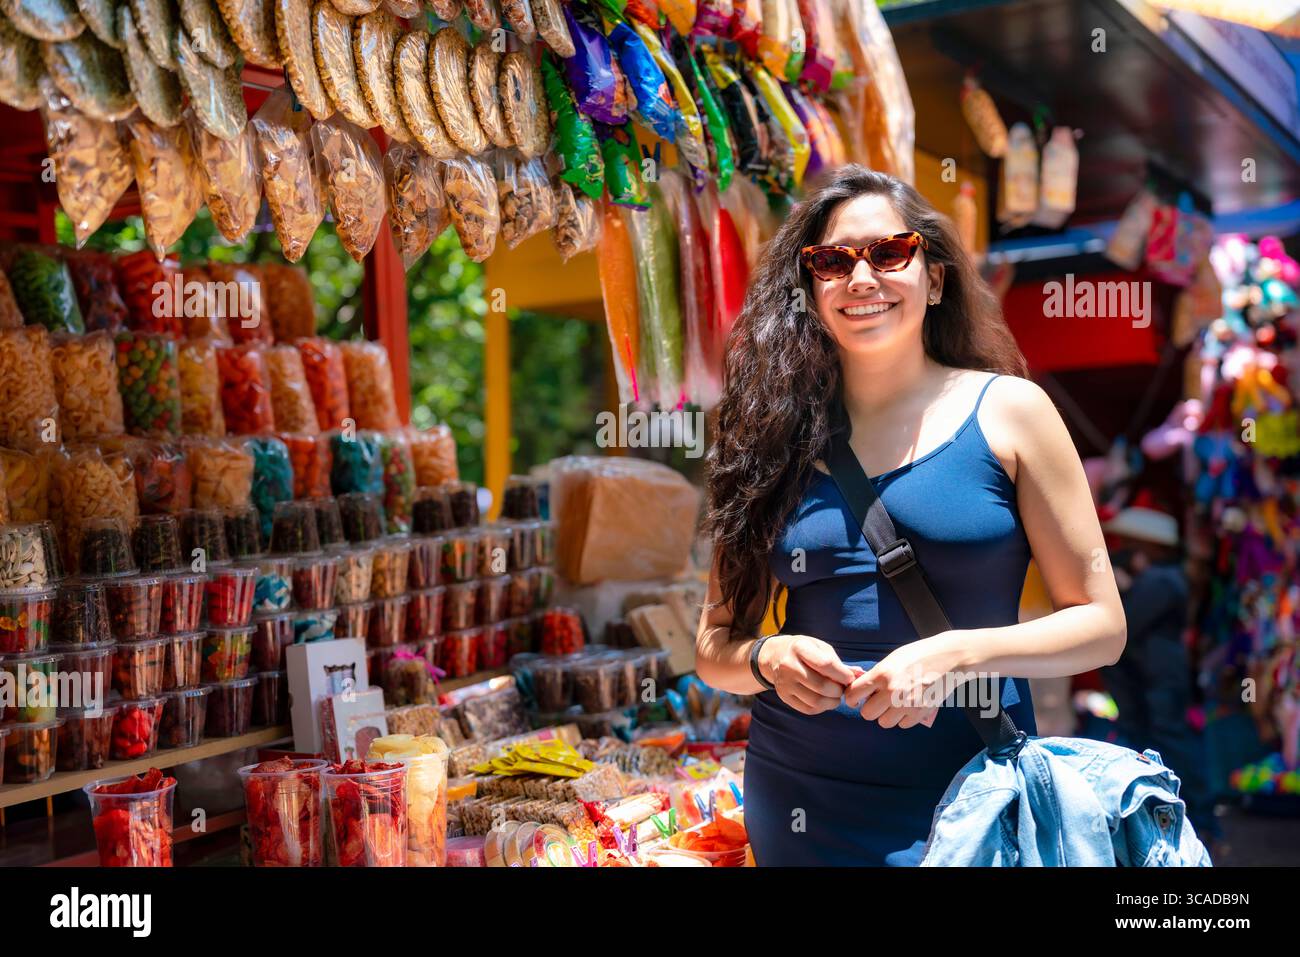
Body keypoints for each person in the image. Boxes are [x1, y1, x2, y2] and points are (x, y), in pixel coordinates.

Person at [695, 166, 1127, 866]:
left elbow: (1103, 627)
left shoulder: (1013, 412)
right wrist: (767, 658)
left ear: (934, 276)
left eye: (888, 253)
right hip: (800, 800)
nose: (860, 278)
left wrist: (953, 654)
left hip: (969, 801)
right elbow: (714, 647)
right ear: (809, 290)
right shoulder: (761, 436)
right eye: (832, 261)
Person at [1100, 507, 1219, 845]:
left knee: (1172, 740)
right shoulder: (1161, 578)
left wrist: (1120, 591)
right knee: (1160, 739)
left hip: (1161, 678)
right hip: (1156, 678)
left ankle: (1203, 815)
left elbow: (1128, 624)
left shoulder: (1160, 580)